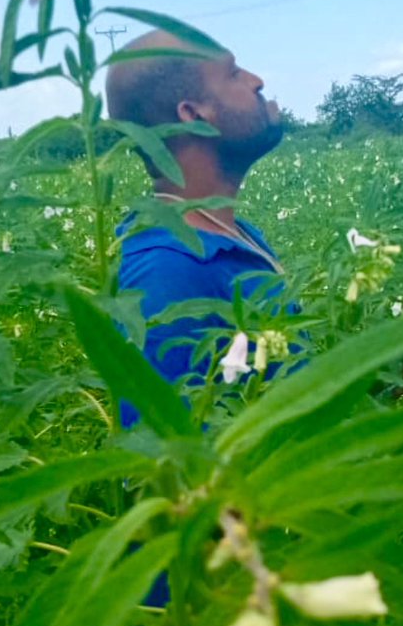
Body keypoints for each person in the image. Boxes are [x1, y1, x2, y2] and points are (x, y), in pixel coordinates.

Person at [105, 28, 287, 424]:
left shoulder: (230, 233)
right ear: (193, 114)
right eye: (234, 73)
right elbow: (161, 456)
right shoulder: (164, 274)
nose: (257, 81)